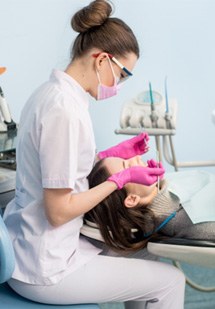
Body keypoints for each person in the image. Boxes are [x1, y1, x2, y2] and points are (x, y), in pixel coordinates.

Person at [3, 1, 185, 308]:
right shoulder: (65, 111)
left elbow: (61, 165)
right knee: (171, 281)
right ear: (101, 60)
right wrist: (121, 178)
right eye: (123, 74)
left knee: (141, 253)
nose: (120, 85)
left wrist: (114, 153)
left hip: (31, 246)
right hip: (47, 268)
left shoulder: (52, 94)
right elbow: (58, 211)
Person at [86, 155, 215, 252]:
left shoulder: (168, 190)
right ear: (132, 199)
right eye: (129, 167)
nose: (137, 157)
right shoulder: (184, 220)